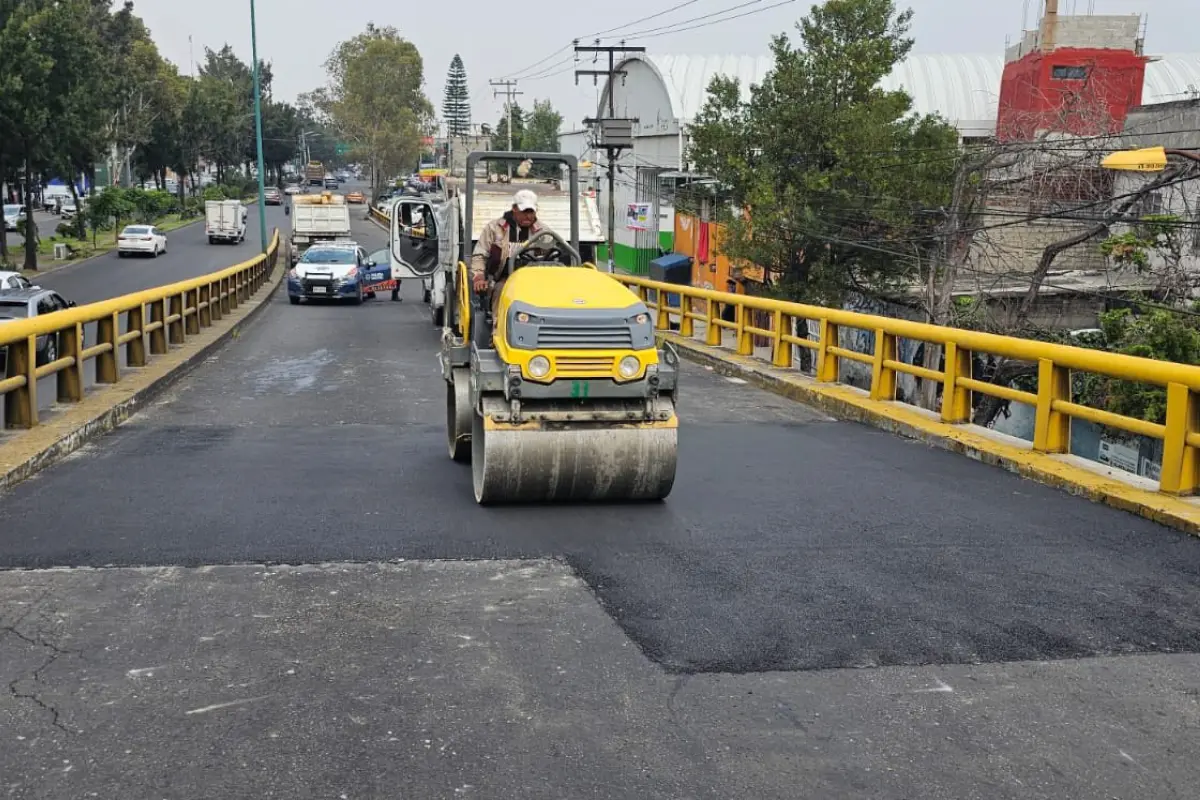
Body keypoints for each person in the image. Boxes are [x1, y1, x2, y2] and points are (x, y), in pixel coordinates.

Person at [470, 189, 548, 321]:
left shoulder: (543, 232)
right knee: (502, 292)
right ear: (514, 209)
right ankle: (497, 329)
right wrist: (478, 276)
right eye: (524, 211)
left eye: (531, 212)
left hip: (535, 281)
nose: (528, 216)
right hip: (503, 278)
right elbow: (480, 255)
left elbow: (554, 253)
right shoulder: (494, 228)